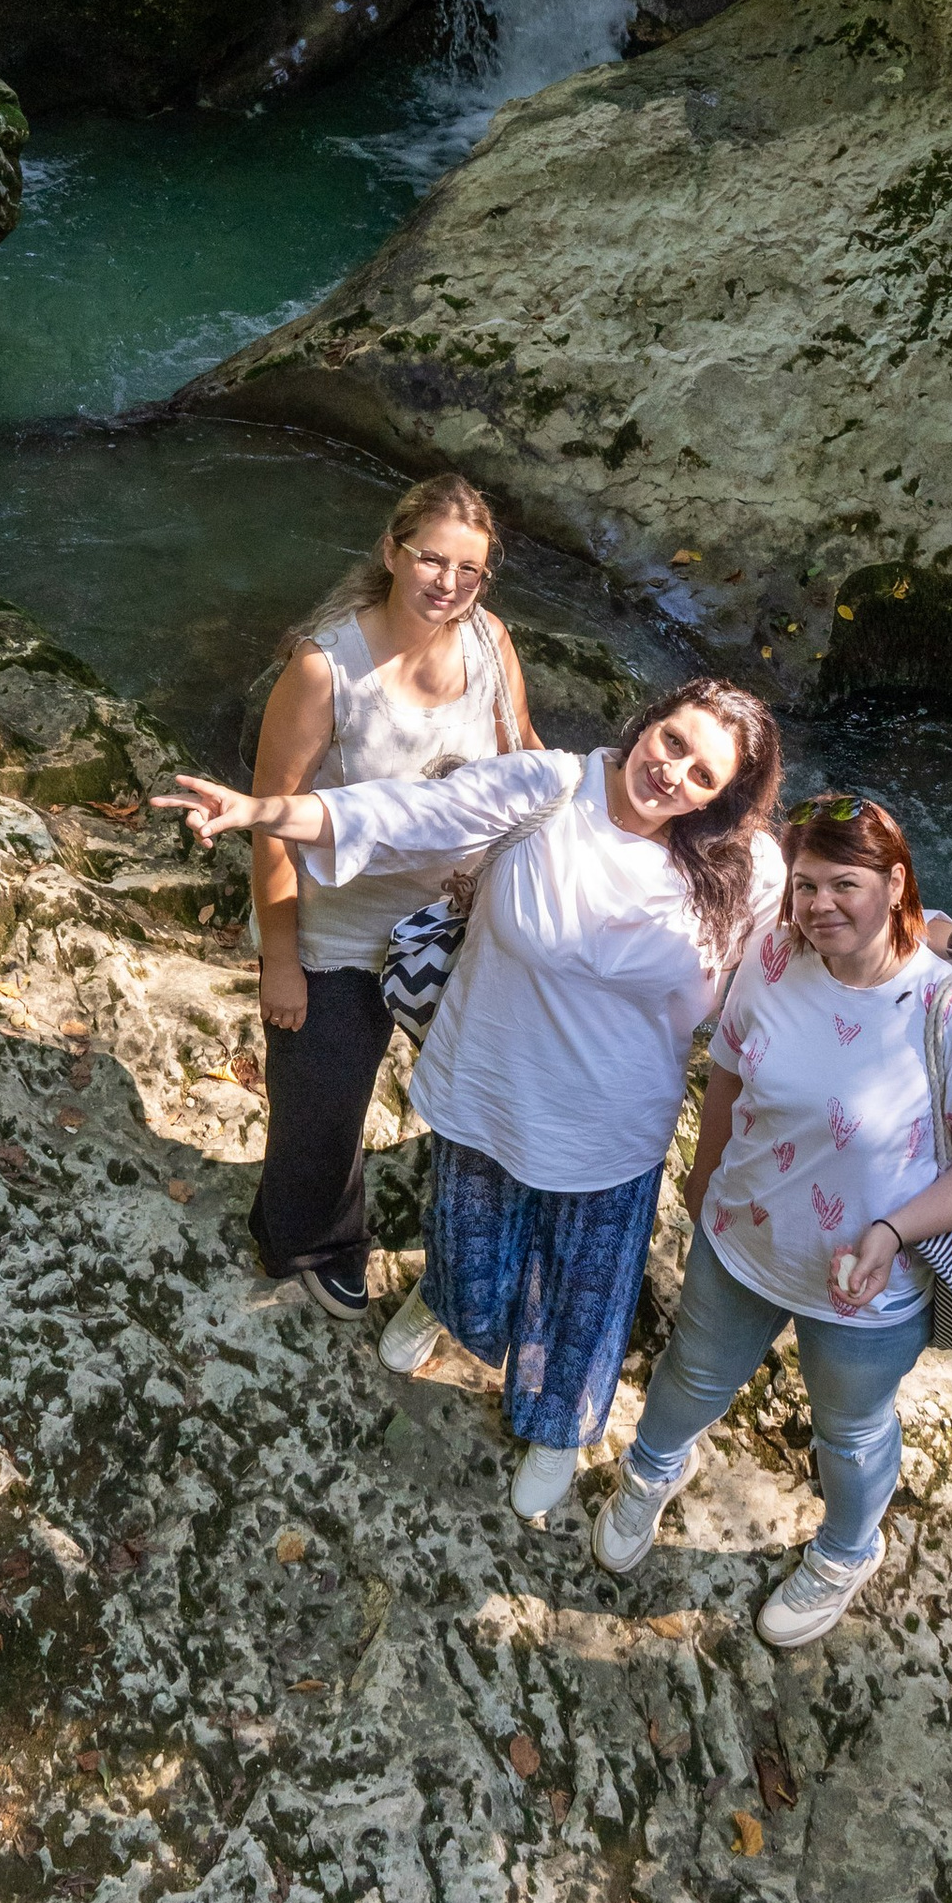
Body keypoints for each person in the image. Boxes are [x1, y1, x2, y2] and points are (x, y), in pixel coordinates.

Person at [162, 682, 785, 1522]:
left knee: (585, 1302)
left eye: (702, 773)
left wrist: (945, 942)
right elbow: (405, 813)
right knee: (469, 1256)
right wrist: (261, 809)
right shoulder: (550, 789)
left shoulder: (748, 870)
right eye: (671, 741)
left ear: (725, 800)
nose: (670, 771)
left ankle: (557, 1429)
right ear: (648, 722)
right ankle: (446, 1298)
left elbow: (834, 925)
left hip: (614, 1129)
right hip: (491, 1090)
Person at [592, 791, 952, 1648]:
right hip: (747, 1235)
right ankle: (651, 1469)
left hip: (868, 1279)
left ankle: (847, 1549)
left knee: (848, 1429)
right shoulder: (774, 956)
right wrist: (703, 1185)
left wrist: (892, 1233)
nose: (819, 906)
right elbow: (729, 1070)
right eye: (806, 885)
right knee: (694, 1370)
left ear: (893, 884)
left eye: (843, 883)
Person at [244, 475, 538, 1325]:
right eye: (431, 560)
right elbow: (273, 821)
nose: (447, 583)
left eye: (469, 570)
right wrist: (282, 960)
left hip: (456, 919)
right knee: (323, 1106)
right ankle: (309, 1238)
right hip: (340, 929)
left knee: (488, 1086)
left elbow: (525, 760)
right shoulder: (323, 668)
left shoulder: (488, 642)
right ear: (391, 552)